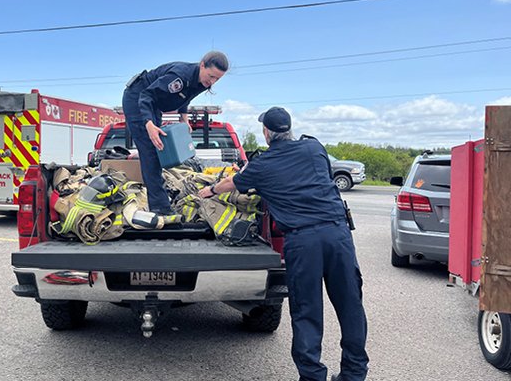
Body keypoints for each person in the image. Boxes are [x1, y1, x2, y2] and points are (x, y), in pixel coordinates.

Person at [199, 107, 369, 381]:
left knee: (307, 311)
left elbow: (232, 183)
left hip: (303, 241)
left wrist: (209, 190)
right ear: (289, 129)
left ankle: (312, 376)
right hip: (338, 235)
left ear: (266, 132)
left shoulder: (262, 165)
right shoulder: (315, 148)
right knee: (350, 305)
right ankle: (354, 374)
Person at [122, 51, 229, 215]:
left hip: (154, 104)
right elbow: (146, 95)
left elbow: (186, 97)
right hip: (138, 98)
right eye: (211, 76)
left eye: (217, 79)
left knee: (160, 149)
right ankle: (160, 208)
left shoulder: (202, 81)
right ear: (202, 65)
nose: (212, 82)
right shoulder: (179, 76)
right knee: (151, 151)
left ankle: (161, 197)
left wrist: (184, 118)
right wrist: (148, 124)